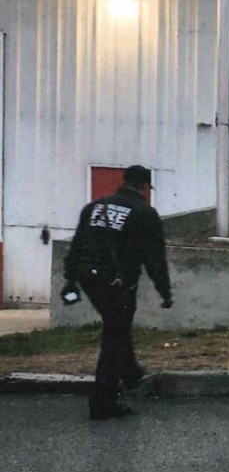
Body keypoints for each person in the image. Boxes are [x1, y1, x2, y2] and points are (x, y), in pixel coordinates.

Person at [61, 164, 173, 420]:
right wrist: (164, 292)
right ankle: (103, 403)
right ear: (145, 187)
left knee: (118, 325)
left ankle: (131, 373)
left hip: (87, 277)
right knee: (114, 335)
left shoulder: (94, 208)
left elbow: (77, 245)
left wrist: (70, 280)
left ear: (124, 182)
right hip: (117, 281)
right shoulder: (144, 213)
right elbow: (154, 258)